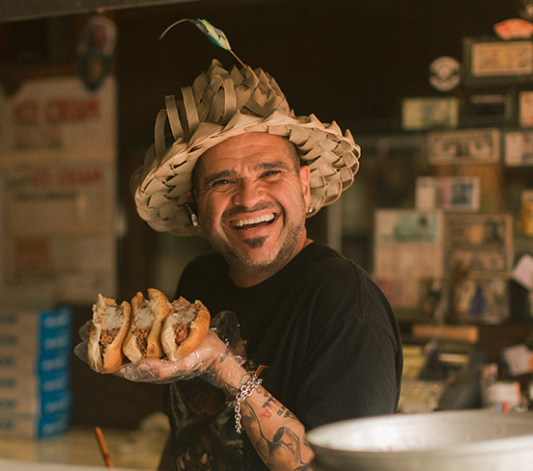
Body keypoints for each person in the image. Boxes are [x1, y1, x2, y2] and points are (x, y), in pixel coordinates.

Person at [83, 59, 403, 470]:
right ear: (194, 203)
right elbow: (188, 430)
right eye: (223, 181)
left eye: (270, 173)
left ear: (304, 187)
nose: (249, 199)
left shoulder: (345, 306)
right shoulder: (199, 282)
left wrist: (222, 364)